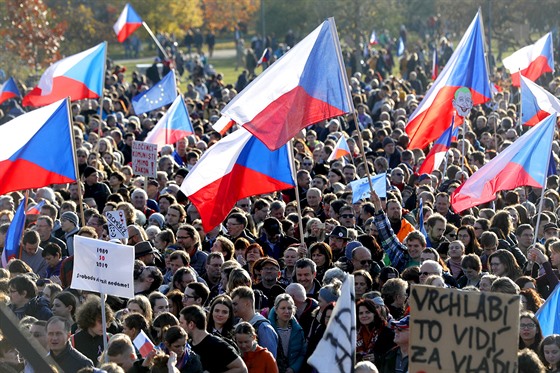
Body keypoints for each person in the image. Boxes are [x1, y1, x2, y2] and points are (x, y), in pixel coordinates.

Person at [179, 305, 248, 373]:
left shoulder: (217, 345)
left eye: (181, 323)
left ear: (191, 324)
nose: (179, 326)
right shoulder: (188, 346)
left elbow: (242, 369)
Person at [231, 286, 278, 358]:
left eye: (235, 304)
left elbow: (270, 359)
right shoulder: (236, 326)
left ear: (247, 303)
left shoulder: (264, 328)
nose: (232, 307)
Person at [268, 294, 307, 373]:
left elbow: (302, 353)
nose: (287, 311)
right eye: (283, 308)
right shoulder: (268, 329)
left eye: (289, 308)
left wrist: (293, 368)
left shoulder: (298, 331)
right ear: (276, 310)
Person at [72, 295, 114, 364]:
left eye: (107, 322)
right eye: (101, 322)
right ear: (90, 319)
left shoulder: (110, 339)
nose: (105, 326)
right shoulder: (73, 340)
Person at [356, 298, 395, 364]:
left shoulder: (388, 334)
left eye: (367, 312)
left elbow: (393, 356)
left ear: (374, 313)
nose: (364, 315)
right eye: (361, 313)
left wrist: (378, 357)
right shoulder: (355, 334)